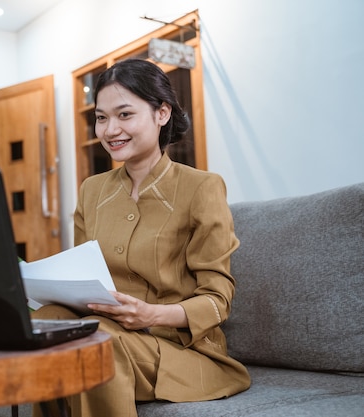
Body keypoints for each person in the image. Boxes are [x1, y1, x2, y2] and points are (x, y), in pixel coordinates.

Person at [32, 59, 251, 417]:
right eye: (101, 117)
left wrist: (152, 314)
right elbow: (81, 278)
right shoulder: (92, 191)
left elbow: (217, 300)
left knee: (94, 341)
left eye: (124, 114)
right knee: (50, 319)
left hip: (181, 352)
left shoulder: (201, 188)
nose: (109, 129)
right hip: (110, 334)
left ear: (161, 113)